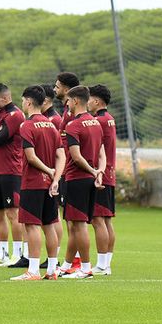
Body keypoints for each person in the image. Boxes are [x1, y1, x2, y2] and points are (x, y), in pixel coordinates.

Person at [11, 85, 66, 281]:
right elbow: (61, 155)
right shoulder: (51, 125)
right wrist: (56, 178)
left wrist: (48, 171)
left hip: (32, 183)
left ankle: (33, 270)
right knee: (49, 225)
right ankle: (52, 270)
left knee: (31, 226)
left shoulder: (26, 125)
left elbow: (31, 157)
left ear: (28, 102)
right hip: (49, 184)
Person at [59, 85, 105, 279]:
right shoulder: (95, 123)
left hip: (77, 179)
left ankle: (86, 268)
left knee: (78, 226)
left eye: (68, 101)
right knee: (77, 225)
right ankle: (67, 265)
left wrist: (93, 171)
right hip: (90, 179)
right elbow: (102, 153)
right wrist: (99, 172)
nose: (67, 104)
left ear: (76, 101)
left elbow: (76, 157)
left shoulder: (73, 125)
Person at [0, 83, 26, 268]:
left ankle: (18, 254)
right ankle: (3, 253)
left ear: (5, 98)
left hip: (12, 170)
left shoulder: (15, 115)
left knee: (12, 213)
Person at [88, 84, 118, 276]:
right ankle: (106, 263)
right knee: (106, 221)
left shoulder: (98, 121)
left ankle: (101, 264)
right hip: (110, 174)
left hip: (101, 174)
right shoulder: (109, 119)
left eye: (89, 99)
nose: (87, 102)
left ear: (97, 101)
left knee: (98, 219)